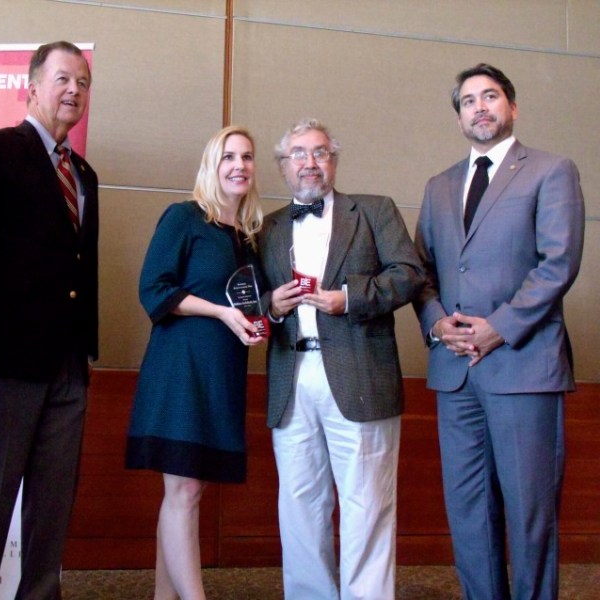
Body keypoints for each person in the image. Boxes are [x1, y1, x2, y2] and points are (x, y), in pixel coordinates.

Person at [414, 63, 585, 600]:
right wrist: (437, 323)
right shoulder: (438, 186)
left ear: (512, 107)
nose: (480, 107)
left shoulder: (552, 171)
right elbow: (420, 273)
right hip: (454, 372)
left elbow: (558, 263)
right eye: (468, 100)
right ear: (459, 115)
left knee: (529, 513)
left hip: (523, 366)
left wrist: (499, 328)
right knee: (468, 513)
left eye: (490, 97)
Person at [0, 41, 98, 600]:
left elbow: (80, 268)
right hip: (0, 360)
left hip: (67, 366)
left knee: (50, 513)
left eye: (82, 81)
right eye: (62, 79)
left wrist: (84, 354)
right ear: (30, 87)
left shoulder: (84, 174)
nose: (74, 90)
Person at [259, 118, 425, 600]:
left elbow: (409, 274)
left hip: (360, 373)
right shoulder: (267, 228)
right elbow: (254, 300)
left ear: (334, 160)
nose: (310, 162)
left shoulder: (373, 210)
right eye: (299, 154)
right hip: (291, 378)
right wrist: (271, 303)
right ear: (283, 166)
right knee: (299, 505)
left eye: (320, 152)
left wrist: (349, 299)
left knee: (367, 504)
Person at [126, 125, 266, 600]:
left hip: (222, 372)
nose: (239, 165)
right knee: (184, 491)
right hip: (180, 367)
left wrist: (261, 316)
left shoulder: (247, 237)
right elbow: (154, 290)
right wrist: (221, 312)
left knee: (189, 492)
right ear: (212, 165)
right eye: (228, 156)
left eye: (247, 157)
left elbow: (249, 303)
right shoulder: (184, 218)